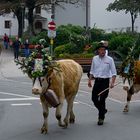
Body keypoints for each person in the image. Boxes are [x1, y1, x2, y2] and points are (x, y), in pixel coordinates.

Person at [88, 43, 117, 125]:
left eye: (104, 50)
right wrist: (89, 80)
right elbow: (92, 70)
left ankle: (101, 118)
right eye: (101, 50)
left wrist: (112, 82)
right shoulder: (94, 58)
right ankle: (103, 110)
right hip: (97, 81)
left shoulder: (110, 59)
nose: (103, 51)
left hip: (105, 82)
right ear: (98, 51)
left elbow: (114, 73)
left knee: (102, 99)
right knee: (94, 99)